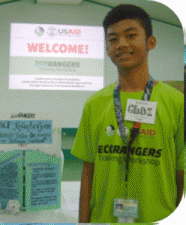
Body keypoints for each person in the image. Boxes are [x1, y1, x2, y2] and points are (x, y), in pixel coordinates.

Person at [71, 4, 184, 223]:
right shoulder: (95, 104)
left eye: (131, 35)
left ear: (151, 42)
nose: (121, 44)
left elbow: (181, 171)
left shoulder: (176, 103)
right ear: (106, 48)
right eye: (112, 39)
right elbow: (88, 172)